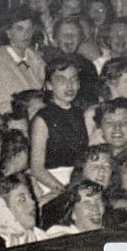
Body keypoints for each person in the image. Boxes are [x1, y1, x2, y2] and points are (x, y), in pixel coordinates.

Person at [30, 57, 89, 198]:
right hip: (52, 185)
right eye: (61, 80)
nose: (69, 86)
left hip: (77, 183)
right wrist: (66, 194)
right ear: (49, 85)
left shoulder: (80, 114)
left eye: (74, 80)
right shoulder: (42, 118)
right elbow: (37, 169)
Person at [0, 174, 47, 246]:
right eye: (22, 199)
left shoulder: (40, 237)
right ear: (3, 208)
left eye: (31, 197)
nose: (33, 202)